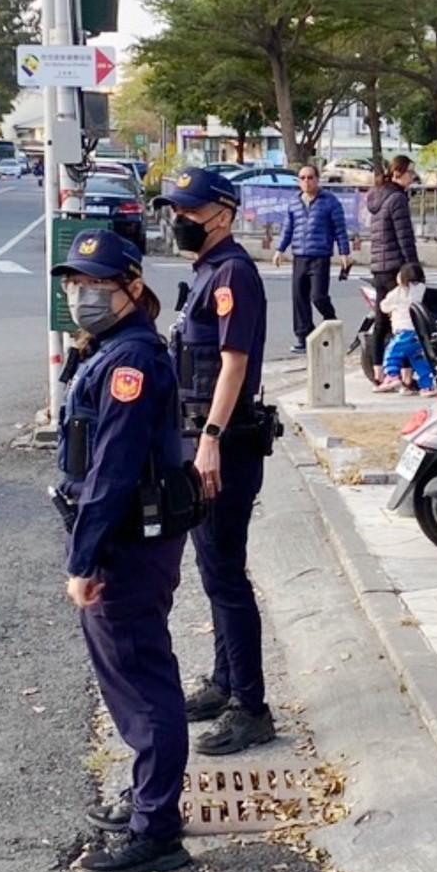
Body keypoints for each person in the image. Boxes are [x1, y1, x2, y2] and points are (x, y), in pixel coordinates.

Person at [52, 230, 192, 872]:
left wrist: (84, 560)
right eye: (75, 284)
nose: (81, 295)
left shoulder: (131, 361)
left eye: (96, 285)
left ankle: (157, 828)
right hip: (124, 537)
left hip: (125, 545)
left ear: (132, 288)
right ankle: (147, 800)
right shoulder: (110, 349)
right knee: (131, 678)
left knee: (142, 682)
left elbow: (111, 470)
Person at [162, 168, 276, 756]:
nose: (178, 220)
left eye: (188, 211)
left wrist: (209, 438)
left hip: (224, 446)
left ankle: (251, 707)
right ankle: (225, 680)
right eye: (175, 210)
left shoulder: (232, 272)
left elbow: (233, 365)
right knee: (213, 568)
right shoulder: (207, 271)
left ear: (222, 216)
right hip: (204, 441)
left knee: (226, 573)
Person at [273, 164, 352, 353]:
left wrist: (344, 253)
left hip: (320, 256)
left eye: (310, 177)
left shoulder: (330, 201)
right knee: (299, 297)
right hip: (300, 255)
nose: (306, 182)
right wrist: (280, 249)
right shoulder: (294, 203)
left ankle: (331, 324)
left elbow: (339, 229)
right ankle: (303, 336)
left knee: (318, 296)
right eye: (302, 178)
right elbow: (288, 229)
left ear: (317, 179)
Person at [366, 155, 421, 381]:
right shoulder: (397, 199)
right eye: (411, 174)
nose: (413, 178)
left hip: (378, 267)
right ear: (400, 173)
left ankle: (378, 373)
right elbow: (404, 238)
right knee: (405, 322)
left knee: (381, 321)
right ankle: (405, 377)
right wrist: (414, 269)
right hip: (396, 268)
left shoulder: (377, 196)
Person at [377, 263, 435, 395]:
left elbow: (383, 307)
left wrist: (392, 309)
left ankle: (392, 376)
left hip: (403, 332)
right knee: (420, 361)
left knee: (392, 353)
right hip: (418, 333)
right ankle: (428, 386)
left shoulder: (397, 292)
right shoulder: (421, 289)